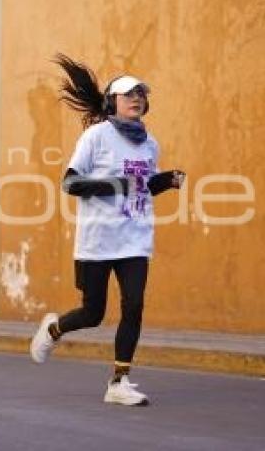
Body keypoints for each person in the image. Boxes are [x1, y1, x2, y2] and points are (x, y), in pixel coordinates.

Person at [29, 55, 185, 407]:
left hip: (135, 238)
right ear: (113, 101)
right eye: (129, 94)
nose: (137, 99)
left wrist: (167, 180)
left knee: (134, 307)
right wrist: (116, 183)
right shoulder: (96, 137)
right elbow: (70, 184)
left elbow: (141, 186)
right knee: (93, 313)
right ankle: (54, 329)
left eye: (141, 95)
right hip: (97, 241)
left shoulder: (150, 143)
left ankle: (119, 381)